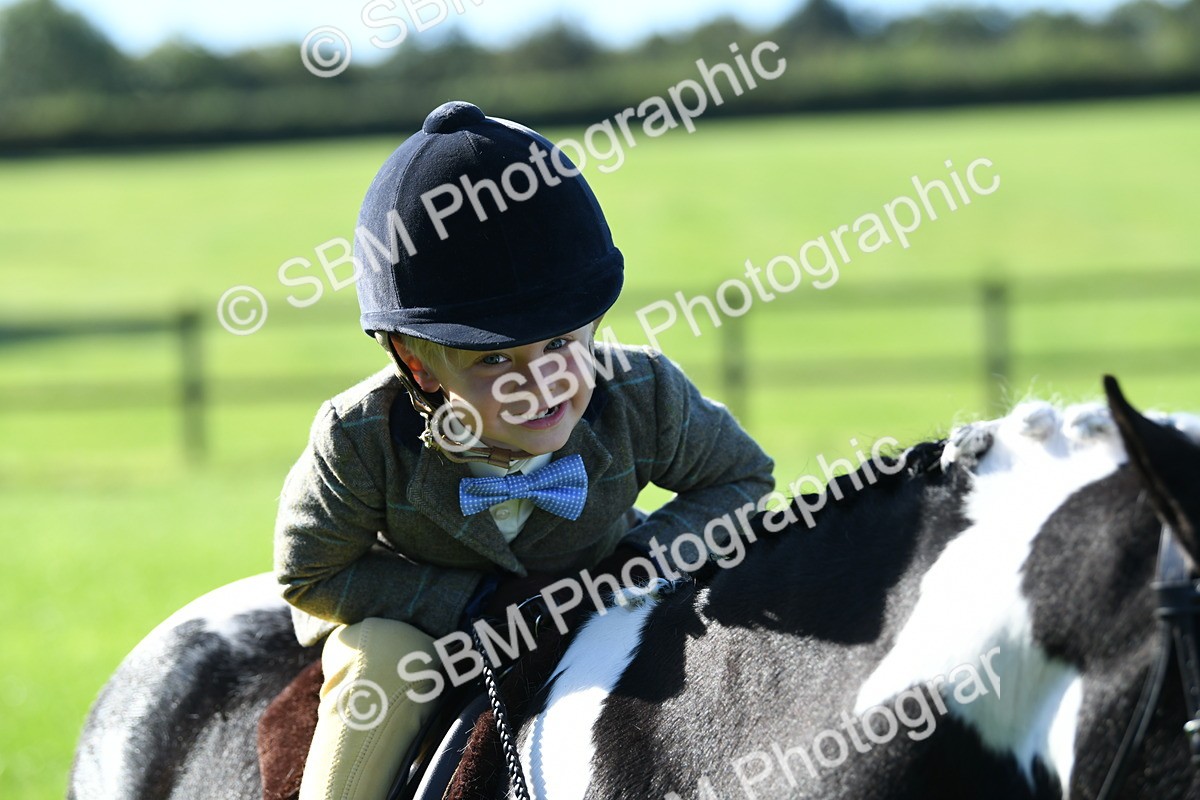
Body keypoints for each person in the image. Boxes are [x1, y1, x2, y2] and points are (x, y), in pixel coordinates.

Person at [274, 100, 775, 800]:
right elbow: (308, 574)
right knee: (381, 663)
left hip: (603, 593)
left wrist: (637, 563)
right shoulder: (358, 437)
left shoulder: (644, 392)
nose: (539, 385)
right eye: (493, 363)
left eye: (561, 345)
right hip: (427, 633)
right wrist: (476, 602)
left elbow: (743, 479)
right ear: (420, 368)